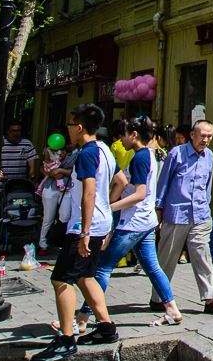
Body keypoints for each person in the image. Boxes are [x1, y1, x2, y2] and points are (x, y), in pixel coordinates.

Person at [67, 117, 183, 331]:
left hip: (132, 224)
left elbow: (140, 193)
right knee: (152, 267)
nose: (121, 140)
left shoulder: (140, 157)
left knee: (102, 268)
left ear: (134, 135)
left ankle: (83, 318)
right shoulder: (148, 154)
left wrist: (110, 207)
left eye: (124, 135)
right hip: (145, 221)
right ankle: (172, 310)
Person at [33, 104, 118, 361]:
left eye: (70, 125)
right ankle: (106, 328)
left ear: (79, 127)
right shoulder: (104, 150)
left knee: (61, 280)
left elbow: (89, 192)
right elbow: (120, 181)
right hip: (100, 222)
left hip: (85, 226)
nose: (68, 129)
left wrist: (85, 232)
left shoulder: (87, 153)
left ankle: (66, 339)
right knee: (85, 276)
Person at [152, 119, 213, 314]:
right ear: (193, 135)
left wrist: (206, 204)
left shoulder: (209, 155)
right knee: (167, 257)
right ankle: (158, 297)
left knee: (202, 254)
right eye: (202, 136)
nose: (206, 140)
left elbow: (208, 183)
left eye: (209, 136)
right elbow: (163, 182)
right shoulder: (176, 154)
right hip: (177, 213)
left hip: (200, 214)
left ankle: (211, 298)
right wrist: (158, 209)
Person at [37, 141, 68, 251]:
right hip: (50, 188)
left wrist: (60, 171)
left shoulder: (73, 154)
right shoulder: (48, 151)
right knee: (48, 218)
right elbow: (44, 167)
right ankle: (42, 244)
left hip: (67, 189)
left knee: (65, 216)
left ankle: (61, 241)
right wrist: (51, 172)